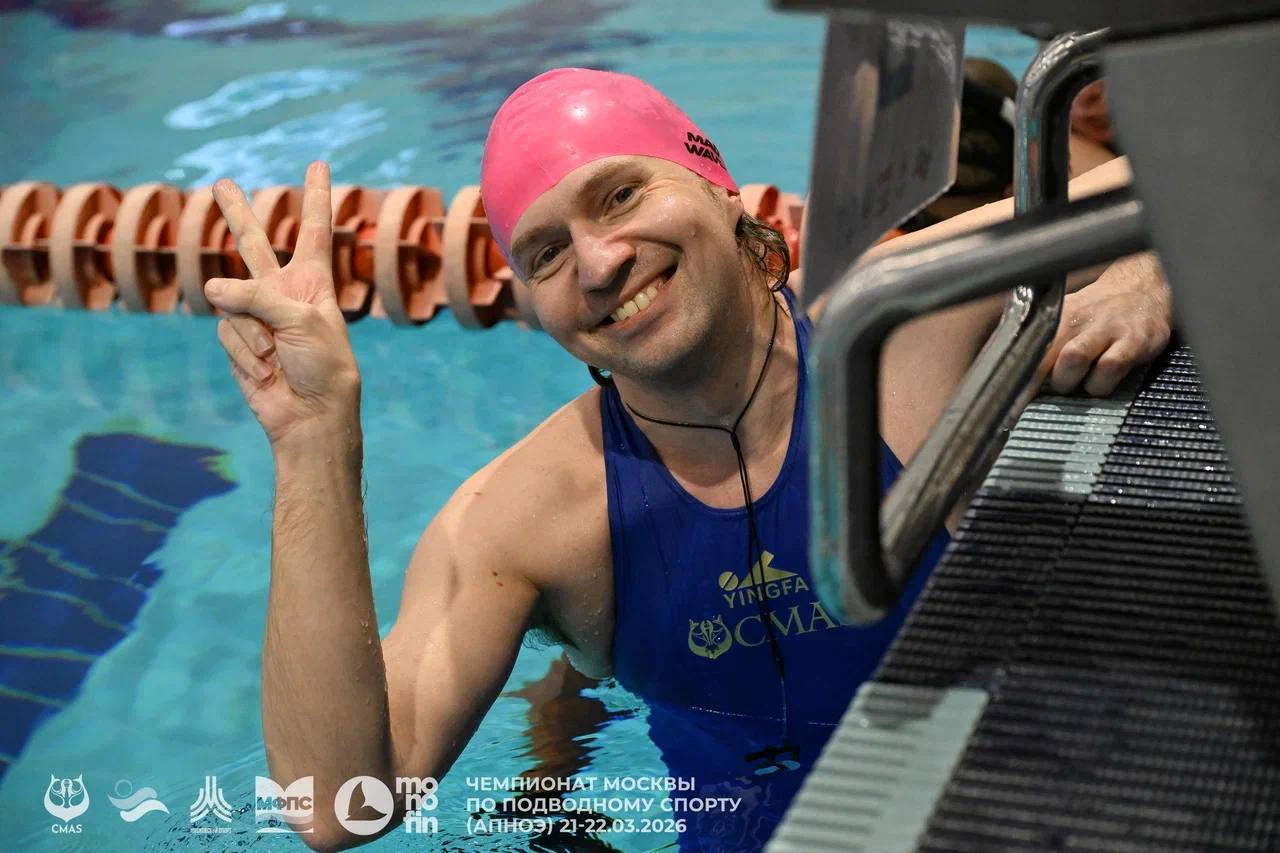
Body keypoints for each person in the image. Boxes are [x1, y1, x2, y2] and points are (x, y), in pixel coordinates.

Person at [201, 68, 1172, 850]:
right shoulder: (526, 517)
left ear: (720, 189)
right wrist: (312, 441)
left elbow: (1197, 178)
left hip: (1036, 807)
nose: (598, 262)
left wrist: (1146, 268)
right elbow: (341, 805)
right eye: (545, 253)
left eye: (622, 194)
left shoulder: (900, 322)